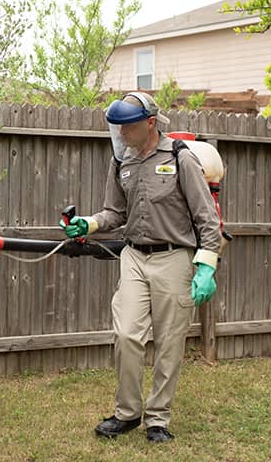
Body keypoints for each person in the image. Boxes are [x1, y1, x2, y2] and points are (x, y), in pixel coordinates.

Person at [59, 92, 221, 443]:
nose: (121, 135)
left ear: (150, 123)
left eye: (127, 128)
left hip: (174, 257)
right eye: (116, 128)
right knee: (127, 334)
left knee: (169, 342)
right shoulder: (121, 161)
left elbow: (206, 217)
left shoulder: (181, 158)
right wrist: (88, 223)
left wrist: (207, 265)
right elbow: (115, 213)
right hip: (134, 256)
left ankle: (157, 419)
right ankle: (127, 413)